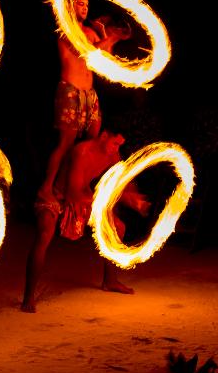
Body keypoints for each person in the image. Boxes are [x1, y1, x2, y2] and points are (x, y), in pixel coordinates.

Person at [21, 125, 151, 313]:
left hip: (83, 197)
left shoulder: (112, 154)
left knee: (117, 227)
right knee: (44, 233)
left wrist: (134, 197)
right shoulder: (81, 151)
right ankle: (28, 296)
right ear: (104, 136)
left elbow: (123, 181)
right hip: (57, 197)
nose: (116, 149)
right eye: (115, 143)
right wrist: (118, 198)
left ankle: (110, 281)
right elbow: (73, 193)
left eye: (120, 145)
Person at [37, 0, 132, 203]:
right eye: (81, 4)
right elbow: (87, 53)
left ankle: (64, 187)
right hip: (70, 91)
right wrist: (109, 36)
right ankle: (46, 187)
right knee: (65, 144)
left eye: (87, 5)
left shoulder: (91, 32)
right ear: (71, 8)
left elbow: (105, 56)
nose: (85, 8)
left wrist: (111, 35)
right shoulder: (66, 32)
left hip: (90, 94)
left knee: (89, 144)